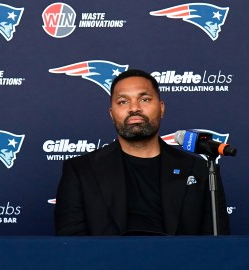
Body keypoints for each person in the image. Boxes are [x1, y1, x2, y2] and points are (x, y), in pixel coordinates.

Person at [54, 69, 230, 236]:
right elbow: (71, 246)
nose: (134, 108)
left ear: (161, 108)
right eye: (123, 102)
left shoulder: (200, 170)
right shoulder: (81, 171)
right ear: (111, 113)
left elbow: (216, 247)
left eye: (144, 99)